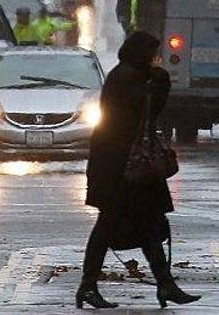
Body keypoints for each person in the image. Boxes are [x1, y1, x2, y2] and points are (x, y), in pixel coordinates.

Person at [78, 31, 199, 310]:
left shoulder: (130, 75)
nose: (156, 59)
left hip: (126, 166)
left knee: (144, 225)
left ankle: (164, 284)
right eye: (152, 53)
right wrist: (160, 83)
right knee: (112, 225)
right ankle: (89, 285)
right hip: (120, 167)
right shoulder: (127, 77)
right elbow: (145, 113)